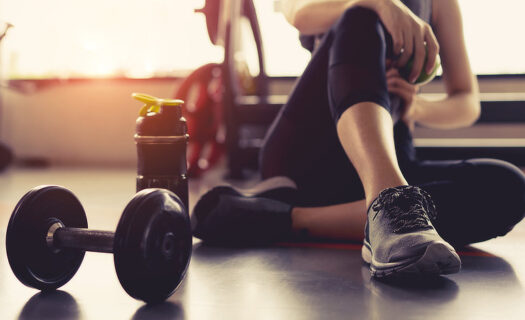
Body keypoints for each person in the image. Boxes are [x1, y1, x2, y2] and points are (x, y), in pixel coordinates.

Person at [191, 0, 525, 278]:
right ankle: (390, 204)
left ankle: (286, 218)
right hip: (309, 155)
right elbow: (300, 15)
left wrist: (417, 107)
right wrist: (381, 3)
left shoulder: (440, 3)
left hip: (392, 158)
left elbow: (467, 102)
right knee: (362, 15)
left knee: (509, 187)